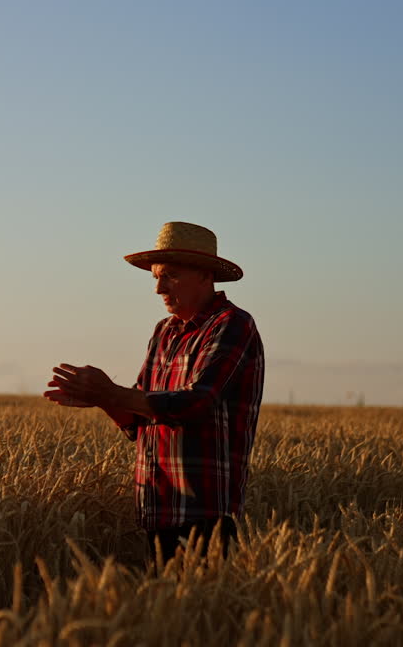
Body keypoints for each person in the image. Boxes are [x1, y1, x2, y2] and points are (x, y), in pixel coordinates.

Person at [44, 221, 265, 563]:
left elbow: (197, 402)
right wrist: (104, 399)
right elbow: (138, 421)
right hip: (157, 506)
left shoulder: (232, 324)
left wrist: (112, 392)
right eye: (156, 277)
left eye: (171, 275)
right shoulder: (164, 332)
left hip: (203, 509)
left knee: (202, 610)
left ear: (206, 276)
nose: (158, 288)